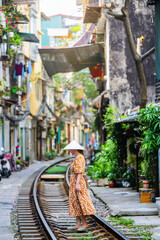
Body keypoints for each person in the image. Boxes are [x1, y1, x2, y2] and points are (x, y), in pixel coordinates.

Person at [64, 140, 96, 232]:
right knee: (75, 203)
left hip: (78, 183)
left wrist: (77, 184)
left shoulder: (79, 158)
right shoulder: (77, 157)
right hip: (74, 183)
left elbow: (79, 172)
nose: (70, 150)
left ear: (74, 149)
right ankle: (78, 224)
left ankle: (84, 224)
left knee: (79, 203)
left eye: (70, 149)